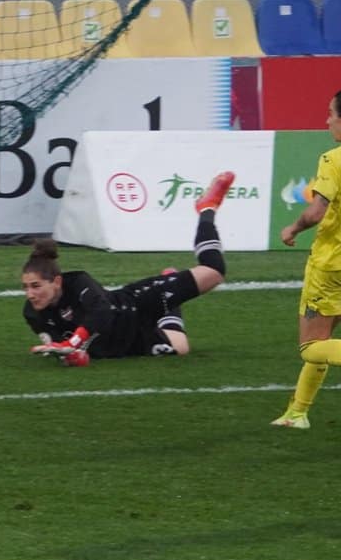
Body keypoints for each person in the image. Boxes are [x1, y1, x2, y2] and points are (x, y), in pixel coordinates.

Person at [21, 171, 234, 366]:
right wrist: (73, 355)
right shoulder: (32, 313)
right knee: (181, 348)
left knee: (213, 272)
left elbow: (103, 311)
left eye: (36, 286)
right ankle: (171, 292)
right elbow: (65, 349)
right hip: (128, 345)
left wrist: (75, 342)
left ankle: (207, 208)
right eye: (26, 287)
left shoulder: (78, 282)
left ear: (56, 281)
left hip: (134, 305)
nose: (30, 294)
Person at [271, 90, 341, 429]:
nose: (327, 120)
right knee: (325, 339)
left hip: (332, 267)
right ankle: (297, 413)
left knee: (312, 346)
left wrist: (293, 227)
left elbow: (316, 211)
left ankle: (297, 413)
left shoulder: (333, 160)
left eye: (331, 113)